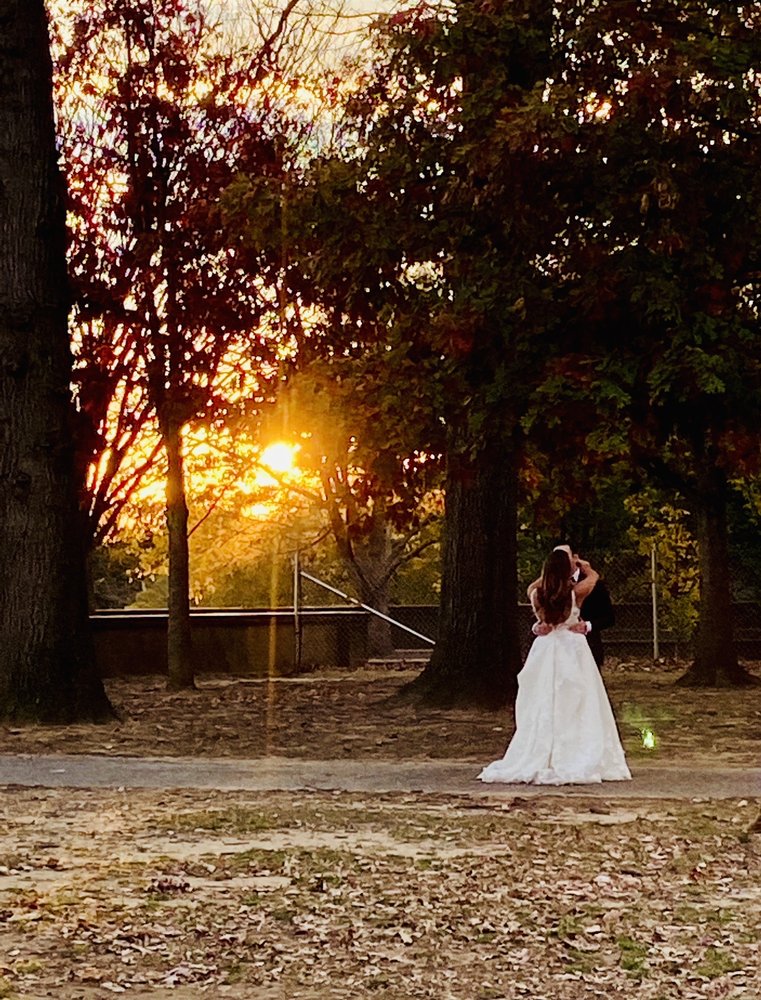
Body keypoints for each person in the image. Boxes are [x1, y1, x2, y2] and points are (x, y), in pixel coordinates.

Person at [478, 547, 631, 785]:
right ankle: (577, 749)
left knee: (544, 696)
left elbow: (535, 596)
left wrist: (548, 574)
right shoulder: (576, 592)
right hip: (572, 646)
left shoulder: (537, 593)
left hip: (547, 647)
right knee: (576, 697)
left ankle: (543, 750)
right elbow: (593, 578)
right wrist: (586, 568)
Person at [532, 544, 614, 669]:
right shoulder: (547, 590)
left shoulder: (596, 586)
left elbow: (609, 617)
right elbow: (541, 617)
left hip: (584, 647)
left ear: (575, 558)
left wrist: (587, 626)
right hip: (552, 648)